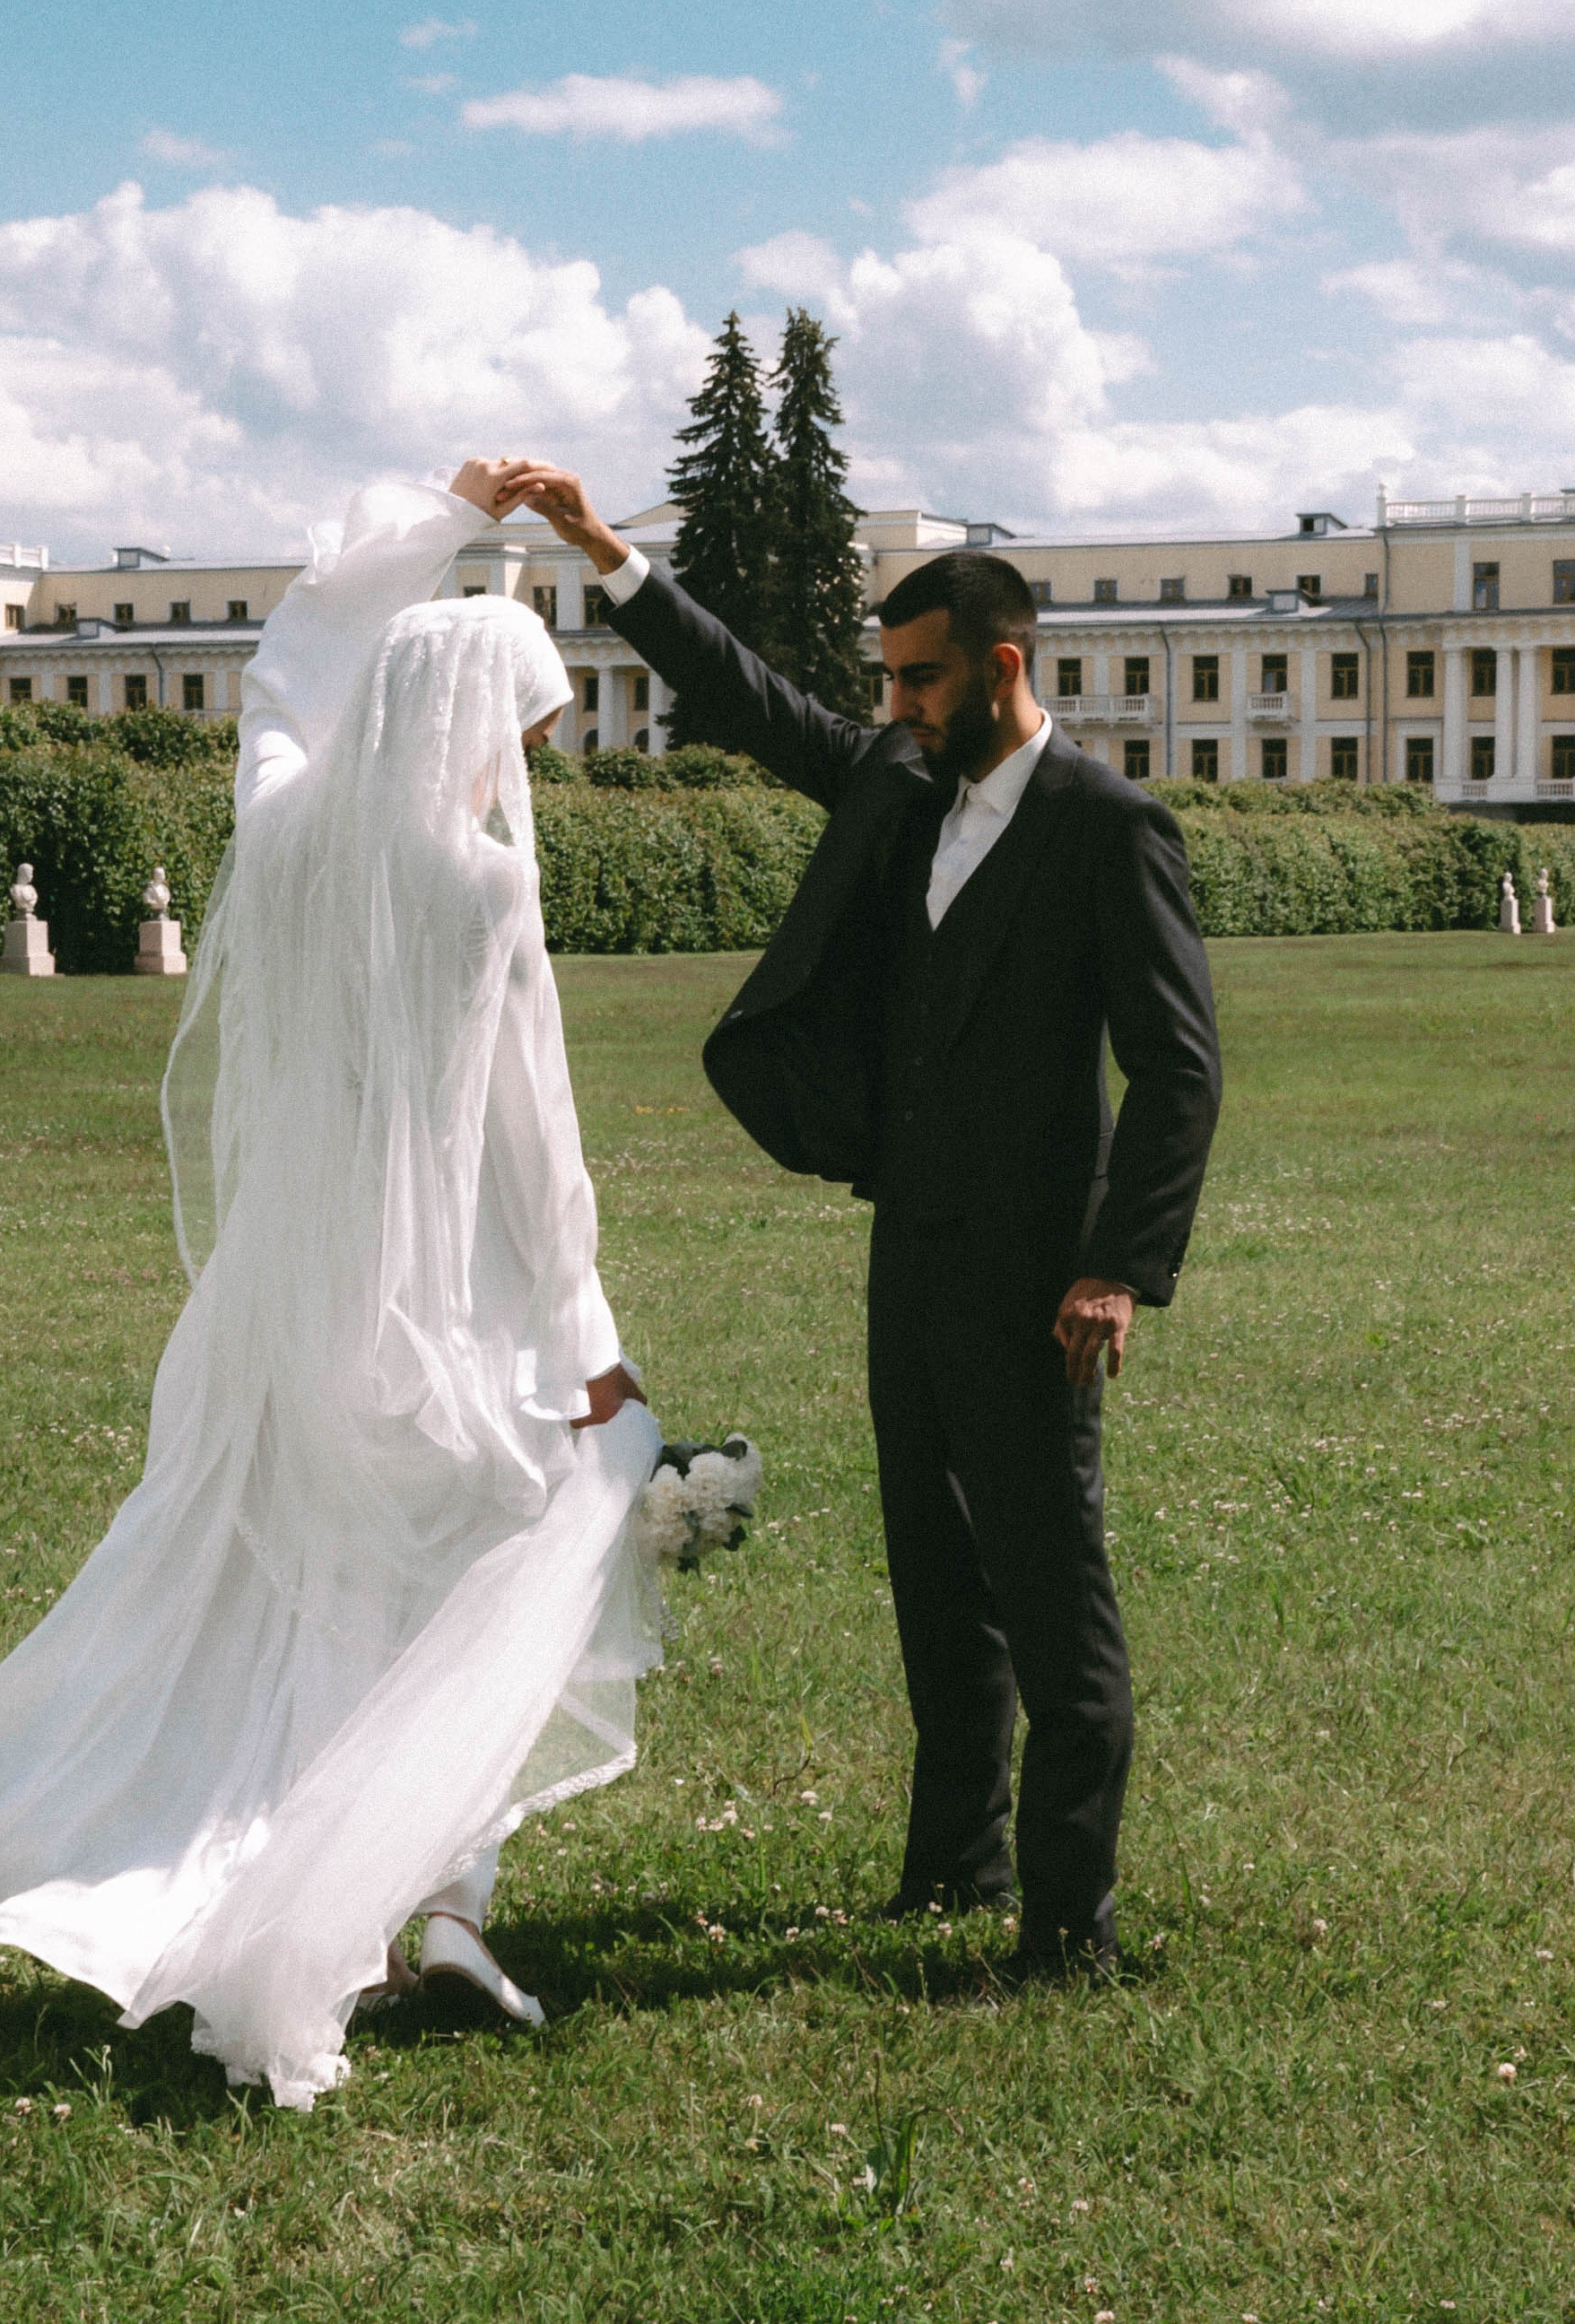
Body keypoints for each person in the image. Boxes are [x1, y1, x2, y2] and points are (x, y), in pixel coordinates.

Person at [0, 459, 657, 2108]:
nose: (527, 766)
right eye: (526, 733)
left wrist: (435, 516)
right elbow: (529, 1135)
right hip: (452, 1296)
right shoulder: (483, 884)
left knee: (287, 1584)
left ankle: (312, 1855)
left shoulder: (278, 832)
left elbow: (290, 659)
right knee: (488, 1569)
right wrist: (591, 1345)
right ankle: (433, 1892)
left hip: (296, 1295)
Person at [516, 464, 1221, 1975]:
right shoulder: (908, 784)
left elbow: (1179, 1067)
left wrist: (1118, 1268)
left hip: (1043, 1278)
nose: (897, 705)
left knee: (1053, 1596)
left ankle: (1068, 1929)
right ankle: (954, 1869)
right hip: (909, 1256)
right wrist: (611, 561)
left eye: (923, 679)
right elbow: (762, 707)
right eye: (888, 682)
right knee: (937, 1581)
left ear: (1003, 667)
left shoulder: (1111, 831)